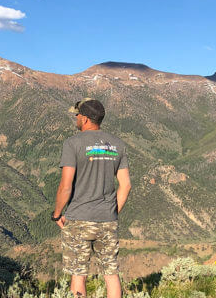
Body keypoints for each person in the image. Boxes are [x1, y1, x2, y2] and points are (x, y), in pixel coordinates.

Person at [52, 98, 132, 298]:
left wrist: (57, 214)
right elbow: (126, 185)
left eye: (77, 115)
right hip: (107, 219)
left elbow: (65, 186)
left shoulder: (73, 143)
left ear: (86, 119)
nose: (76, 119)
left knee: (78, 275)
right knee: (111, 274)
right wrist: (112, 211)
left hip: (78, 219)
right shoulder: (118, 145)